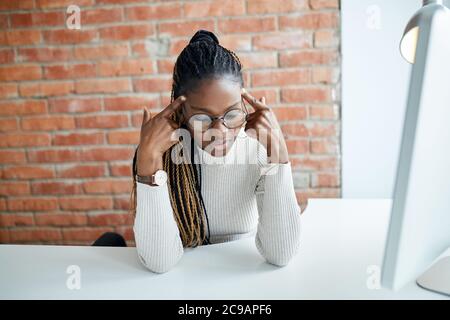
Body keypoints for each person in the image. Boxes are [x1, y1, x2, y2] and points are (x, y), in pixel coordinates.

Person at [94, 29, 306, 273]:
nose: (221, 130)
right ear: (182, 111)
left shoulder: (258, 148)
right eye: (203, 118)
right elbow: (159, 262)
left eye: (232, 113)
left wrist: (279, 156)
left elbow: (281, 254)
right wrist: (148, 161)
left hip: (242, 278)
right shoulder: (161, 152)